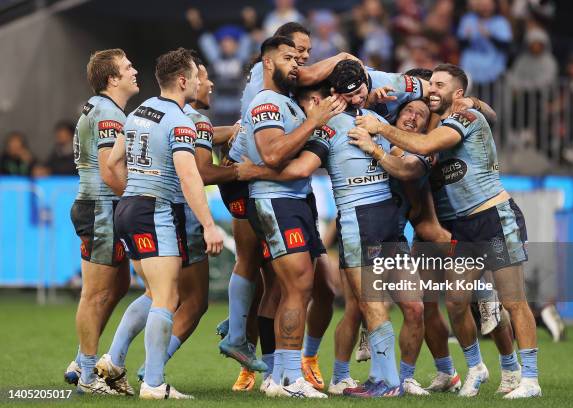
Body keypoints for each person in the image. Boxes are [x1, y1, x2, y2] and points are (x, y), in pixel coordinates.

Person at [238, 60, 428, 398]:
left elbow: (407, 170)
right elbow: (302, 169)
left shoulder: (355, 124)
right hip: (374, 220)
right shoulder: (354, 126)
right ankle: (388, 380)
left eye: (360, 92)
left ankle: (388, 380)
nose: (357, 99)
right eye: (353, 94)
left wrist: (256, 171)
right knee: (388, 303)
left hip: (374, 220)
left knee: (392, 304)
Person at [355, 63, 541, 399]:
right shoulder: (424, 123)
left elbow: (425, 146)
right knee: (456, 302)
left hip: (493, 217)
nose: (432, 90)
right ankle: (476, 367)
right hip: (459, 228)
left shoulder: (465, 119)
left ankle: (527, 377)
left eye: (439, 85)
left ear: (459, 94)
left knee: (513, 300)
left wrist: (379, 131)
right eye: (429, 86)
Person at [220, 22, 359, 393]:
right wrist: (314, 121)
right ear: (267, 63)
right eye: (288, 57)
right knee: (295, 288)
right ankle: (288, 375)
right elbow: (273, 153)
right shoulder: (266, 102)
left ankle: (280, 375)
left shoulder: (286, 103)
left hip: (294, 200)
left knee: (300, 288)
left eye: (300, 58)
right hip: (275, 201)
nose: (297, 63)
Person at [98, 57, 225, 389]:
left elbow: (112, 161)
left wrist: (135, 191)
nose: (201, 82)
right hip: (154, 212)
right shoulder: (180, 122)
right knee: (168, 298)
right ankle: (154, 384)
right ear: (183, 81)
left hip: (128, 208)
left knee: (156, 293)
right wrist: (209, 224)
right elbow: (188, 176)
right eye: (198, 76)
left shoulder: (140, 111)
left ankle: (113, 360)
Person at [64, 48, 139, 395]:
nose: (134, 71)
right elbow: (111, 172)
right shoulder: (109, 113)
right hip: (101, 208)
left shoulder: (100, 108)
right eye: (127, 67)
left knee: (119, 285)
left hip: (100, 207)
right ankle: (88, 376)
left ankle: (83, 360)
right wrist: (140, 199)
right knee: (94, 294)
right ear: (112, 79)